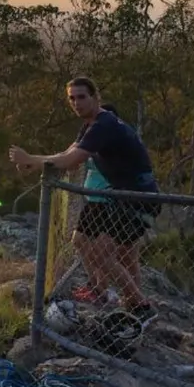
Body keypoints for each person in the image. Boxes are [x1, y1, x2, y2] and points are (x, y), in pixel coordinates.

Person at [9, 77, 159, 321]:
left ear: (95, 97)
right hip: (117, 195)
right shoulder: (90, 126)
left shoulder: (104, 124)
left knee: (106, 254)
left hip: (136, 197)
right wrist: (34, 162)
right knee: (84, 241)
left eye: (81, 97)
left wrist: (31, 158)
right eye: (71, 98)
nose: (76, 103)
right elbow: (67, 153)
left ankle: (140, 306)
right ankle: (123, 299)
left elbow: (72, 161)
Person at [71, 103, 121, 304]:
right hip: (92, 199)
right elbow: (75, 156)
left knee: (101, 251)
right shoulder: (92, 137)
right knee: (79, 240)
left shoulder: (114, 142)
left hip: (107, 200)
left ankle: (103, 289)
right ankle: (95, 284)